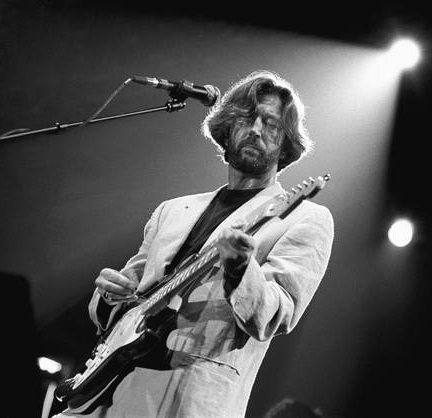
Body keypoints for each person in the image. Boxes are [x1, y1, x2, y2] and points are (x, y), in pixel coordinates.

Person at [55, 70, 334, 417]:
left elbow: (277, 314)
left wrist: (239, 270)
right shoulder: (171, 210)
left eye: (271, 124)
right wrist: (109, 295)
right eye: (246, 119)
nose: (257, 130)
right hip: (101, 389)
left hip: (183, 399)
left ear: (286, 143)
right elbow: (126, 300)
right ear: (227, 128)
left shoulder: (305, 217)